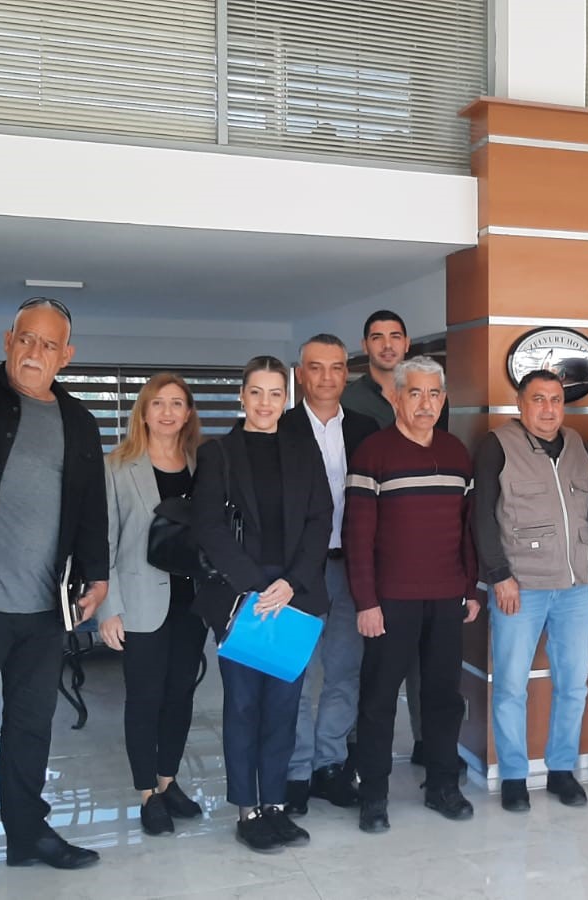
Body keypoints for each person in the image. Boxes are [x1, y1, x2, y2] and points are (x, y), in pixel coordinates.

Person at [0, 297, 109, 897]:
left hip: (44, 610)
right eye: (26, 339)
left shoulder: (79, 420)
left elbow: (90, 506)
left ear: (66, 355)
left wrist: (98, 573)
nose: (35, 352)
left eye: (49, 344)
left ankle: (28, 834)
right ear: (8, 340)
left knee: (32, 728)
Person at [191, 355, 333, 852]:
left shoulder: (303, 450)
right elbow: (209, 526)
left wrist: (291, 583)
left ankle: (274, 803)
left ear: (285, 399)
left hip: (293, 596)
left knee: (284, 706)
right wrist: (255, 586)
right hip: (240, 596)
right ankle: (246, 809)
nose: (265, 403)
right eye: (256, 393)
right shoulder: (218, 454)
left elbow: (321, 519)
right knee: (243, 704)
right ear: (242, 396)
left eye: (275, 394)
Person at [346, 356, 480, 834]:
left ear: (443, 399)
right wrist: (366, 601)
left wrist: (469, 588)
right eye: (416, 393)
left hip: (446, 597)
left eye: (434, 394)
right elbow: (357, 535)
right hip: (390, 600)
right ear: (397, 397)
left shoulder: (456, 451)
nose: (426, 404)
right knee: (379, 699)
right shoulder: (373, 452)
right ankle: (373, 795)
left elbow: (467, 530)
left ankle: (442, 786)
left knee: (444, 697)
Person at [474, 369, 588, 813]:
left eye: (556, 399)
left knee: (574, 685)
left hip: (574, 588)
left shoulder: (576, 445)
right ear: (520, 405)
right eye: (538, 399)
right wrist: (499, 575)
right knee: (510, 686)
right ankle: (513, 776)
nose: (548, 408)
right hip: (520, 587)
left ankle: (562, 770)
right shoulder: (497, 445)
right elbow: (482, 515)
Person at [98, 374, 208, 837]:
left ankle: (168, 781)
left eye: (177, 403)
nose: (167, 412)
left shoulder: (202, 465)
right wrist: (108, 608)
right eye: (157, 403)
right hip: (139, 600)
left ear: (188, 413)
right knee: (145, 698)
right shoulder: (117, 466)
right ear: (142, 412)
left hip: (192, 601)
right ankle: (147, 793)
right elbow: (103, 541)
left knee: (181, 693)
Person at [338, 309, 447, 769]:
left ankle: (426, 743)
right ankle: (358, 751)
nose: (387, 344)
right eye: (377, 337)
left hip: (423, 556)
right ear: (365, 346)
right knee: (370, 666)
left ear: (406, 343)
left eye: (395, 336)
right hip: (370, 544)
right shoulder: (351, 400)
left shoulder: (431, 397)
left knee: (426, 668)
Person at [281, 335, 379, 815]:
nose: (326, 377)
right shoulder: (279, 427)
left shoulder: (365, 429)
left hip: (350, 567)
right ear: (301, 374)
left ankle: (330, 766)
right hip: (297, 572)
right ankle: (296, 771)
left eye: (336, 367)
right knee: (294, 675)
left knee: (344, 673)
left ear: (346, 373)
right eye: (315, 367)